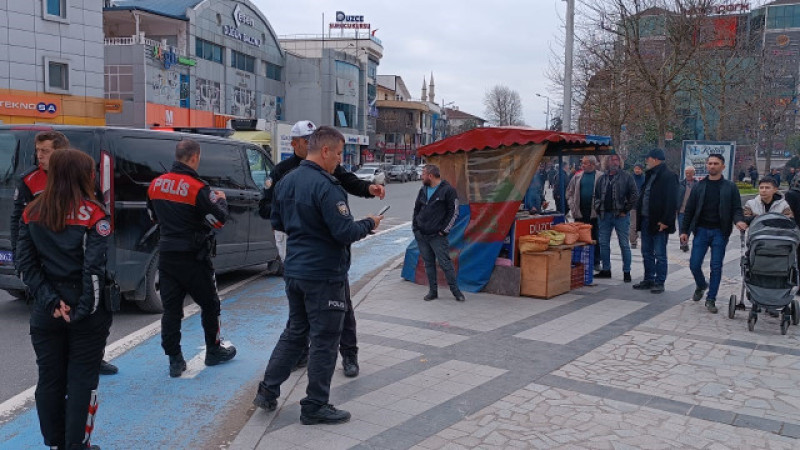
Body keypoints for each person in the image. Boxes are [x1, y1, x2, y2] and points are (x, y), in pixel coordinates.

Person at [253, 126, 381, 425]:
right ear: (325, 151)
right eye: (337, 154)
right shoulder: (327, 186)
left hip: (295, 270)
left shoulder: (286, 181)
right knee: (324, 338)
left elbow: (278, 220)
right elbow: (344, 232)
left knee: (295, 332)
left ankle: (268, 390)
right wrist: (370, 222)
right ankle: (315, 405)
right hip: (324, 274)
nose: (339, 160)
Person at [17, 148, 112, 450]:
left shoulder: (31, 211)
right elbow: (93, 270)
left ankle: (56, 443)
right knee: (83, 380)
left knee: (49, 379)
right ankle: (77, 444)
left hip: (47, 309)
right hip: (85, 307)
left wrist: (50, 301)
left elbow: (25, 264)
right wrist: (82, 310)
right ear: (83, 176)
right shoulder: (94, 213)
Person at [9, 131, 118, 377]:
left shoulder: (82, 175)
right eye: (37, 150)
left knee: (99, 312)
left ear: (61, 153)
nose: (40, 156)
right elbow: (19, 219)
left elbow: (96, 209)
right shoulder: (29, 180)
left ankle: (94, 357)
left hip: (80, 259)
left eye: (45, 151)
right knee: (51, 317)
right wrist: (20, 256)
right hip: (46, 260)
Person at [147, 140, 236, 378]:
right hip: (194, 257)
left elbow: (153, 217)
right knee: (210, 305)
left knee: (172, 310)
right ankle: (213, 351)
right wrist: (222, 200)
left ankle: (175, 360)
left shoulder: (156, 184)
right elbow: (218, 220)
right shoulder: (198, 188)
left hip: (166, 256)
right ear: (195, 157)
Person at [680, 154, 747, 314]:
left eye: (716, 163)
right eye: (709, 163)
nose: (712, 166)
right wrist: (684, 231)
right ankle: (702, 285)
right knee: (694, 264)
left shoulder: (730, 187)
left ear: (723, 166)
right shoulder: (699, 186)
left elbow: (736, 208)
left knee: (716, 267)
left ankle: (711, 299)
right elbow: (689, 210)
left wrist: (738, 221)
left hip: (720, 232)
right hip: (701, 230)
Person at [413, 164, 465, 302]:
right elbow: (416, 209)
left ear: (430, 175)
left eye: (423, 174)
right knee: (428, 264)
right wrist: (415, 228)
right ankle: (433, 291)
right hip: (422, 235)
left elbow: (453, 212)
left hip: (437, 236)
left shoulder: (447, 191)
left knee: (445, 263)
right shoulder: (423, 190)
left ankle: (456, 292)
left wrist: (444, 230)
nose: (421, 176)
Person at [633, 148, 679, 294]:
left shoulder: (669, 176)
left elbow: (672, 201)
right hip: (646, 219)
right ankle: (648, 279)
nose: (646, 161)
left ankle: (659, 281)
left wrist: (665, 221)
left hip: (659, 222)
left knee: (659, 253)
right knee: (646, 251)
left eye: (648, 158)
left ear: (655, 159)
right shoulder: (650, 175)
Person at [593, 154, 638, 282]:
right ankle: (606, 269)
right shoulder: (602, 178)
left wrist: (625, 210)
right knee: (603, 243)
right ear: (607, 162)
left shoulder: (626, 177)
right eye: (612, 159)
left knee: (624, 244)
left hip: (620, 216)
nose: (615, 162)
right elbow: (596, 195)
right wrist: (597, 207)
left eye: (617, 159)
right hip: (604, 215)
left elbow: (634, 195)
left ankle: (627, 271)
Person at [567, 156, 603, 268]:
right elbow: (569, 192)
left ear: (592, 164)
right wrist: (572, 206)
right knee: (579, 237)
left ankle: (596, 261)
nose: (582, 165)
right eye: (582, 163)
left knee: (595, 237)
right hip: (580, 212)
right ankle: (578, 261)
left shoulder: (601, 176)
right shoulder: (577, 176)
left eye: (585, 163)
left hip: (594, 213)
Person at [677, 166, 698, 253]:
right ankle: (683, 243)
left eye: (690, 173)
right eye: (686, 173)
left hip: (693, 211)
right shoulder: (680, 184)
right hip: (682, 210)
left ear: (694, 173)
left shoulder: (698, 184)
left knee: (689, 228)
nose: (688, 174)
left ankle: (685, 241)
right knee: (682, 227)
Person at [630, 163, 645, 249]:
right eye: (635, 168)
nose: (637, 170)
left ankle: (645, 241)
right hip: (633, 205)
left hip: (643, 206)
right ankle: (633, 242)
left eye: (639, 169)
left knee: (644, 224)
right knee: (633, 225)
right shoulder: (630, 178)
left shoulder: (645, 179)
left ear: (642, 170)